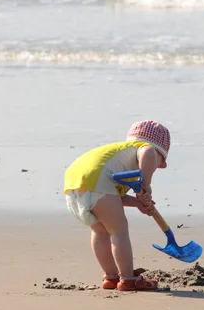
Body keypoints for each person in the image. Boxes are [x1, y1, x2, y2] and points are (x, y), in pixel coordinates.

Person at [63, 120, 171, 291]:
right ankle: (128, 279)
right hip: (97, 183)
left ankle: (111, 276)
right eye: (159, 163)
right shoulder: (144, 148)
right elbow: (149, 152)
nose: (155, 167)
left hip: (74, 186)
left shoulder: (119, 158)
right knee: (118, 231)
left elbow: (109, 197)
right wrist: (146, 185)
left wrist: (137, 203)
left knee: (100, 231)